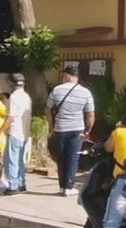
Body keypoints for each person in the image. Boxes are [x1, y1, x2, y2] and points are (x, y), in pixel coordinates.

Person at [45, 64, 95, 197]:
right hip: (77, 129)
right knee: (73, 157)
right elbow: (90, 114)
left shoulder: (56, 90)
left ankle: (62, 186)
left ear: (67, 76)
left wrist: (51, 125)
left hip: (60, 128)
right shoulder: (86, 93)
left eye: (64, 75)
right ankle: (69, 187)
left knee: (61, 157)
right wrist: (87, 131)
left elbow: (48, 110)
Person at [0, 73, 32, 197]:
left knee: (11, 160)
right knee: (20, 160)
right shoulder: (26, 96)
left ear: (11, 83)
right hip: (24, 132)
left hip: (15, 132)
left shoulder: (14, 98)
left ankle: (12, 187)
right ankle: (21, 184)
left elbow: (10, 118)